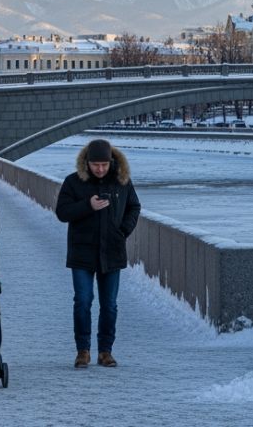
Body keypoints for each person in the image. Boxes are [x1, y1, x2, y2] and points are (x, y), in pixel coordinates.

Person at [55, 138, 140, 369]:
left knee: (109, 304)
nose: (100, 169)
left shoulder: (122, 182)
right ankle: (83, 351)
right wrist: (87, 205)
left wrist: (124, 230)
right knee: (83, 301)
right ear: (87, 163)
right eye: (96, 165)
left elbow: (134, 206)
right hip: (82, 251)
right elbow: (61, 212)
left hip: (112, 250)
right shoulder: (73, 182)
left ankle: (105, 352)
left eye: (104, 164)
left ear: (111, 162)